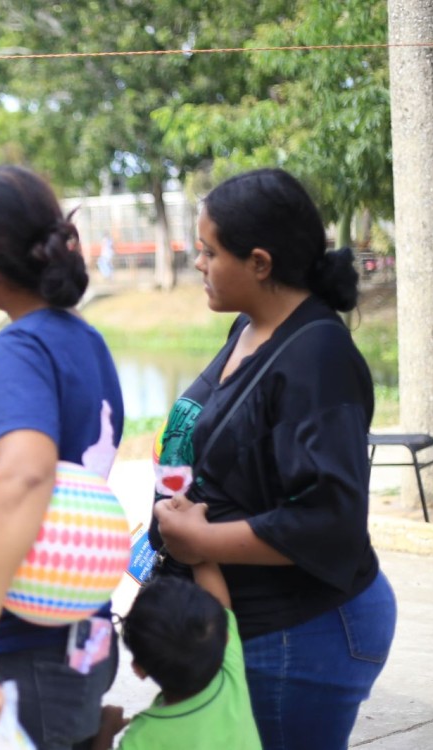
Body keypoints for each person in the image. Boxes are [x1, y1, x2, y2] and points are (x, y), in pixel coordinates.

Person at [149, 168, 397, 750]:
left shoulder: (317, 357)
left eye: (209, 252)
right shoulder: (251, 326)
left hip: (304, 631)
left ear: (260, 263)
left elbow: (329, 521)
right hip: (252, 622)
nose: (198, 263)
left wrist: (201, 542)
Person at [0, 164, 125, 748]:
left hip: (25, 645)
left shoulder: (23, 344)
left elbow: (24, 475)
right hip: (61, 637)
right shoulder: (78, 337)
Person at [95, 563, 261, 750]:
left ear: (139, 670)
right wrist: (197, 555)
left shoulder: (143, 738)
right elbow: (215, 591)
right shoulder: (229, 672)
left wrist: (106, 730)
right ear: (227, 638)